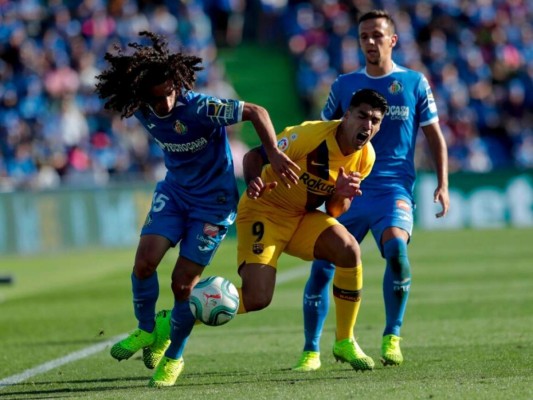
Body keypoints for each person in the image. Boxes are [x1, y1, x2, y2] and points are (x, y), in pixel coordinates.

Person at [94, 31, 300, 385]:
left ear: (177, 83)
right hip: (175, 194)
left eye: (167, 94)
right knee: (144, 264)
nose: (163, 105)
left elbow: (255, 111)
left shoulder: (201, 107)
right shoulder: (142, 106)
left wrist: (275, 154)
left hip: (213, 205)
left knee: (182, 286)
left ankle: (174, 357)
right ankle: (147, 330)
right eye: (154, 99)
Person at [150, 88, 389, 387]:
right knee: (257, 298)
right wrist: (253, 184)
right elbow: (252, 157)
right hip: (265, 211)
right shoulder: (309, 136)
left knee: (348, 250)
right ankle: (173, 320)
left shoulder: (366, 158)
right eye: (362, 116)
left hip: (302, 217)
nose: (368, 125)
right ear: (346, 116)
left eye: (375, 121)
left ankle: (345, 340)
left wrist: (341, 195)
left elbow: (335, 210)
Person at [293, 9, 450, 372]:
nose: (370, 42)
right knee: (323, 266)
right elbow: (319, 134)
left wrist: (443, 183)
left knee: (396, 249)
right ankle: (311, 349)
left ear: (392, 40)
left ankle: (392, 335)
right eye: (364, 36)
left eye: (377, 35)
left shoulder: (414, 82)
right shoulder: (344, 85)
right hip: (346, 187)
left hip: (392, 188)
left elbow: (434, 136)